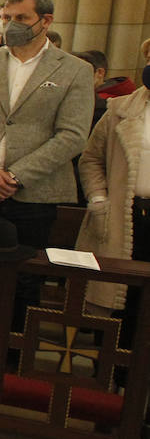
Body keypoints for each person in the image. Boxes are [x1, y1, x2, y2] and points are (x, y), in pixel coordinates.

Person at [0, 0, 93, 358]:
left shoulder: (74, 70)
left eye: (21, 19)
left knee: (24, 282)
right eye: (6, 18)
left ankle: (9, 363)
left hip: (33, 195)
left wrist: (15, 176)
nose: (11, 25)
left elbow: (72, 136)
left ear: (45, 21)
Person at [76, 62, 150, 359]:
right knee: (122, 302)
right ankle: (110, 373)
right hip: (126, 214)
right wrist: (98, 199)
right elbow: (91, 158)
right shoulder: (120, 109)